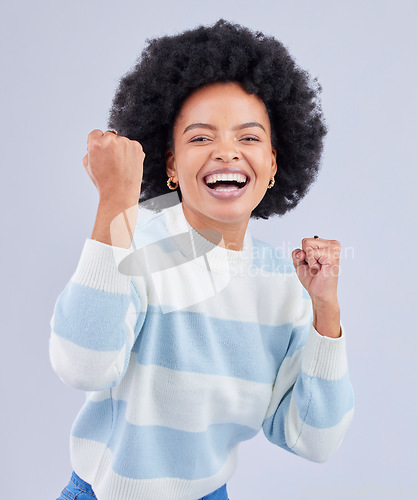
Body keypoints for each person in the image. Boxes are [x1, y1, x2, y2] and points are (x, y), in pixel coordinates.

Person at [50, 19, 354, 500]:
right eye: (200, 138)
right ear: (170, 165)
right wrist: (115, 204)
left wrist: (326, 314)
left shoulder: (281, 285)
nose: (226, 152)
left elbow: (314, 439)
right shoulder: (136, 241)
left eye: (249, 138)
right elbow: (82, 366)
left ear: (274, 164)